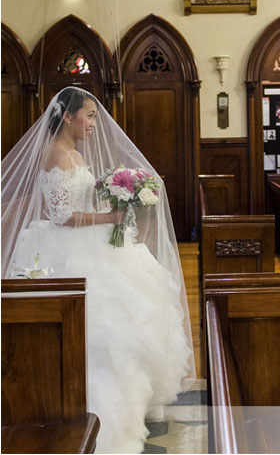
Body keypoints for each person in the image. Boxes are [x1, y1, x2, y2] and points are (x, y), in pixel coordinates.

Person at [1, 87, 194, 453]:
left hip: (92, 239)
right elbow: (61, 215)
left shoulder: (73, 153)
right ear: (68, 116)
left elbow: (79, 200)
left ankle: (129, 407)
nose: (93, 123)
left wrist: (116, 196)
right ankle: (97, 417)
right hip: (68, 249)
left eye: (92, 116)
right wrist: (109, 216)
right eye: (88, 115)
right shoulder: (57, 154)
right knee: (102, 331)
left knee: (130, 320)